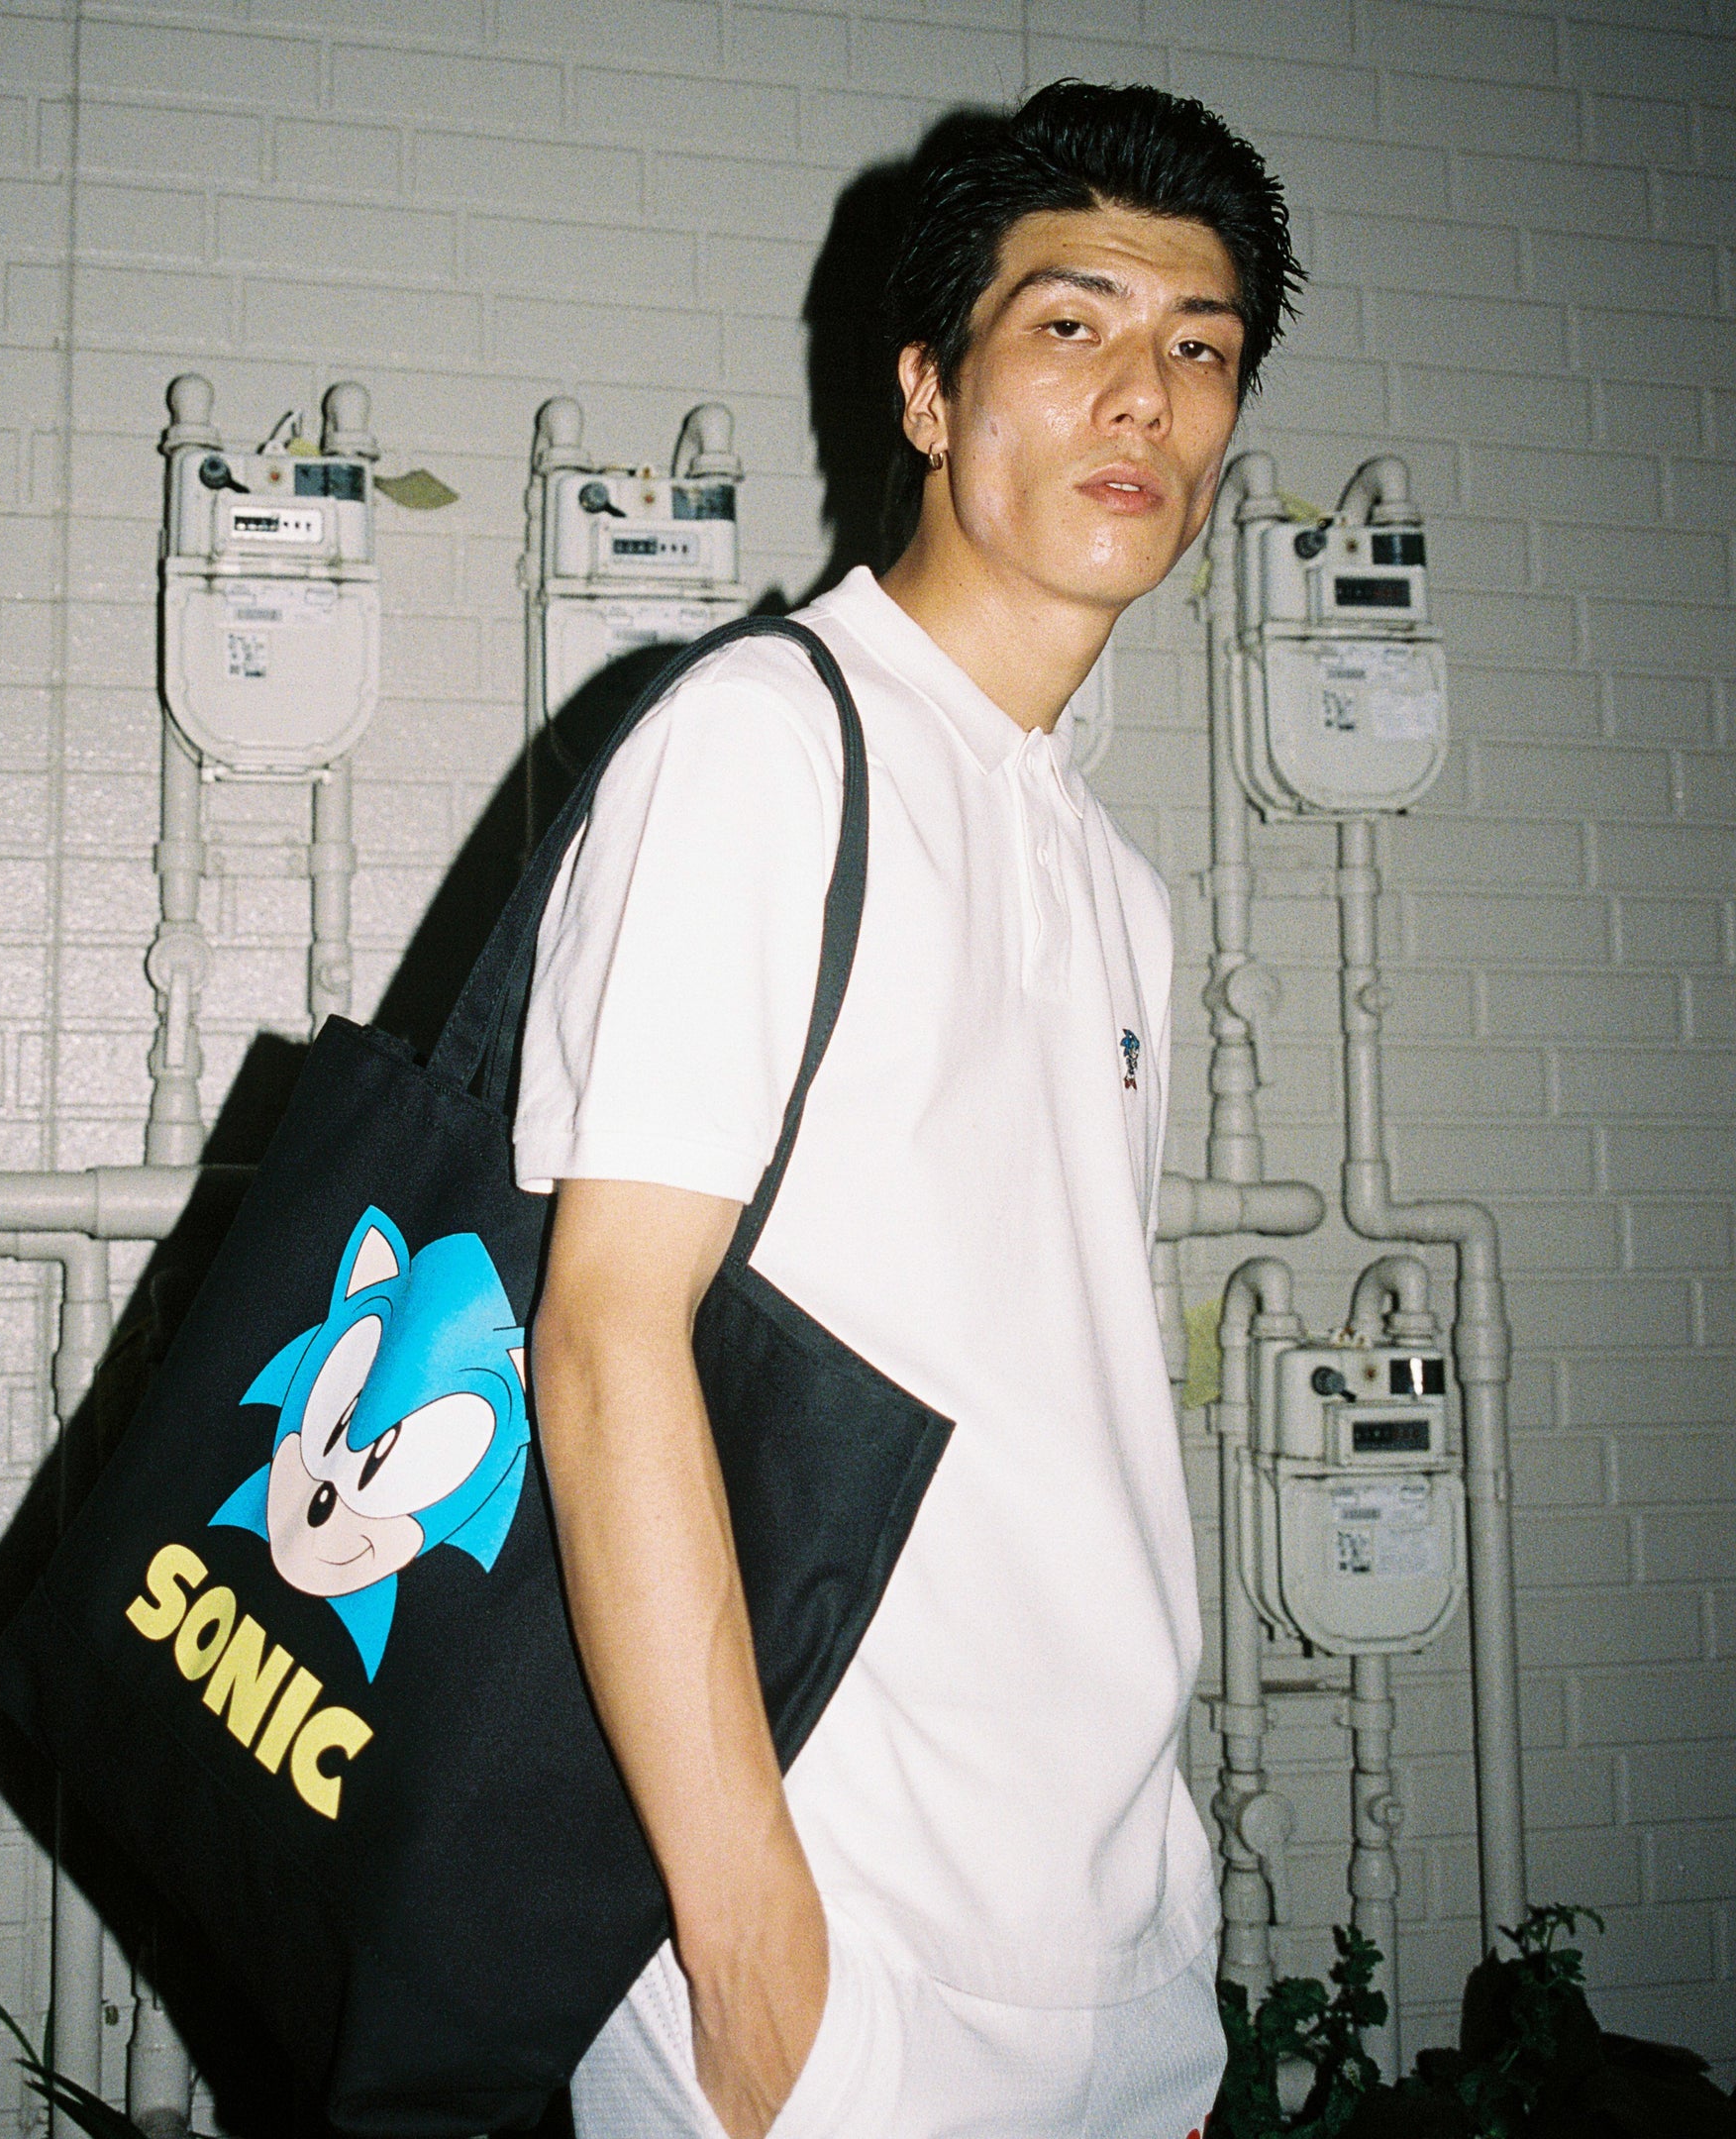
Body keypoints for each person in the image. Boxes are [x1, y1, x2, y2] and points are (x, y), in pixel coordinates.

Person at [516, 79, 1304, 2139]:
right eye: (1072, 323)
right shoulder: (766, 743)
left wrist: (1157, 1959)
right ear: (930, 393)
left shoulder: (1116, 886)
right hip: (832, 1951)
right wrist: (752, 1950)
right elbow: (602, 1337)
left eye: (1199, 347)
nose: (1142, 393)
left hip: (1115, 1947)